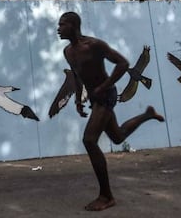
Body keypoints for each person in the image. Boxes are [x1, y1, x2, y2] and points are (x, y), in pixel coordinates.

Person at [57, 11, 165, 211]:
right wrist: (78, 100)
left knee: (89, 140)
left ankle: (106, 196)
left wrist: (103, 86)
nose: (58, 28)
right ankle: (147, 114)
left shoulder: (94, 45)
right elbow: (77, 75)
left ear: (73, 25)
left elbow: (123, 63)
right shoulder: (68, 52)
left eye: (62, 24)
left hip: (106, 96)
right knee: (117, 136)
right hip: (95, 98)